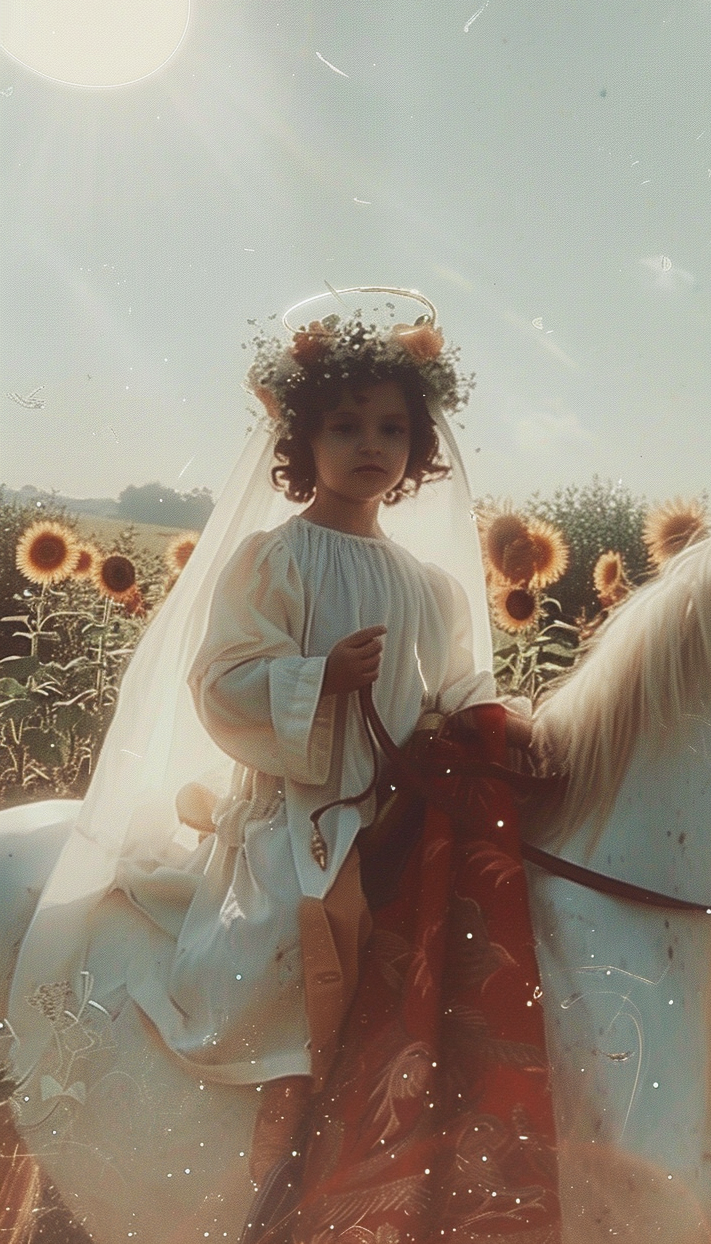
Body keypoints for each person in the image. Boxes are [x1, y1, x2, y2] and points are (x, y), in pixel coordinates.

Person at [6, 288, 559, 1242]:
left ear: (418, 451)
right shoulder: (278, 559)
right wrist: (314, 678)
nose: (370, 445)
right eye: (345, 426)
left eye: (392, 427)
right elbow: (221, 678)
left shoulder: (427, 586)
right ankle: (275, 1150)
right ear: (301, 443)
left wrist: (483, 727)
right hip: (294, 818)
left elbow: (462, 684)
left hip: (398, 814)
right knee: (289, 962)